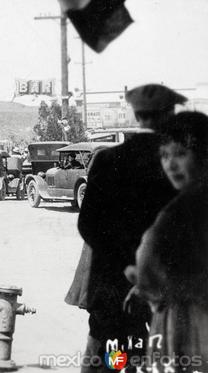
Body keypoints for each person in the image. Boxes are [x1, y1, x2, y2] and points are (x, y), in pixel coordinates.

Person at [75, 83, 185, 371]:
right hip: (164, 290)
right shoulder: (180, 165)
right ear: (171, 114)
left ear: (137, 116)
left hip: (112, 287)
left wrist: (122, 262)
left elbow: (88, 226)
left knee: (110, 358)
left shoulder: (106, 159)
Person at [123, 111, 208, 373]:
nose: (171, 165)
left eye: (180, 154)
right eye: (165, 155)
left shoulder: (178, 210)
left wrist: (139, 280)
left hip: (187, 325)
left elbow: (148, 262)